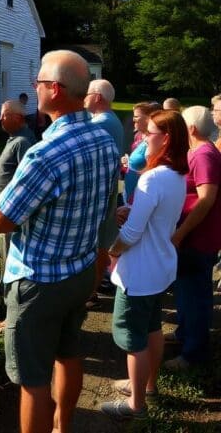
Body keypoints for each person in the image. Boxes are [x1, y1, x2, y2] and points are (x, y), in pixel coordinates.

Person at [0, 50, 119, 433]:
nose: (33, 88)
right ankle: (62, 426)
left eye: (37, 82)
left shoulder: (45, 153)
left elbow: (1, 222)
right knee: (68, 353)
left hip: (39, 281)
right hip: (81, 271)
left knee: (32, 380)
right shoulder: (104, 140)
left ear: (54, 89)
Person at [100, 110, 189, 419]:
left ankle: (136, 405)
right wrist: (129, 209)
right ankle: (147, 385)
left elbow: (134, 233)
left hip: (139, 271)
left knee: (133, 338)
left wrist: (113, 250)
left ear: (165, 139)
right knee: (152, 328)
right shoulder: (177, 174)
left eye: (148, 133)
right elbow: (152, 218)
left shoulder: (151, 178)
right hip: (160, 266)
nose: (142, 138)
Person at [165, 106, 221, 371]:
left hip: (197, 238)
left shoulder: (203, 155)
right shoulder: (200, 152)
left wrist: (180, 233)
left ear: (191, 129)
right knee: (187, 291)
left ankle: (193, 353)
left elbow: (206, 199)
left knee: (196, 295)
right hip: (193, 237)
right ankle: (184, 334)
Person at [0, 100, 35, 328]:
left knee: (11, 257)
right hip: (3, 208)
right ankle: (3, 286)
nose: (0, 119)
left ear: (17, 117)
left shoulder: (23, 141)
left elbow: (26, 180)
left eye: (4, 115)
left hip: (11, 213)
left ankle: (11, 315)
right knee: (4, 253)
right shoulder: (15, 139)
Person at [85, 79, 126, 310]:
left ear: (98, 97)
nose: (84, 98)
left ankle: (91, 292)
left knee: (98, 244)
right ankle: (94, 287)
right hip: (106, 189)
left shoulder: (101, 123)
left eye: (88, 94)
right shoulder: (110, 120)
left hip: (100, 192)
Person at [122, 102, 158, 204]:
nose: (133, 119)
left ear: (148, 118)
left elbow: (152, 171)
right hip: (129, 191)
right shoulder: (139, 135)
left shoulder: (153, 141)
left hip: (139, 196)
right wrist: (128, 161)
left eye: (136, 116)